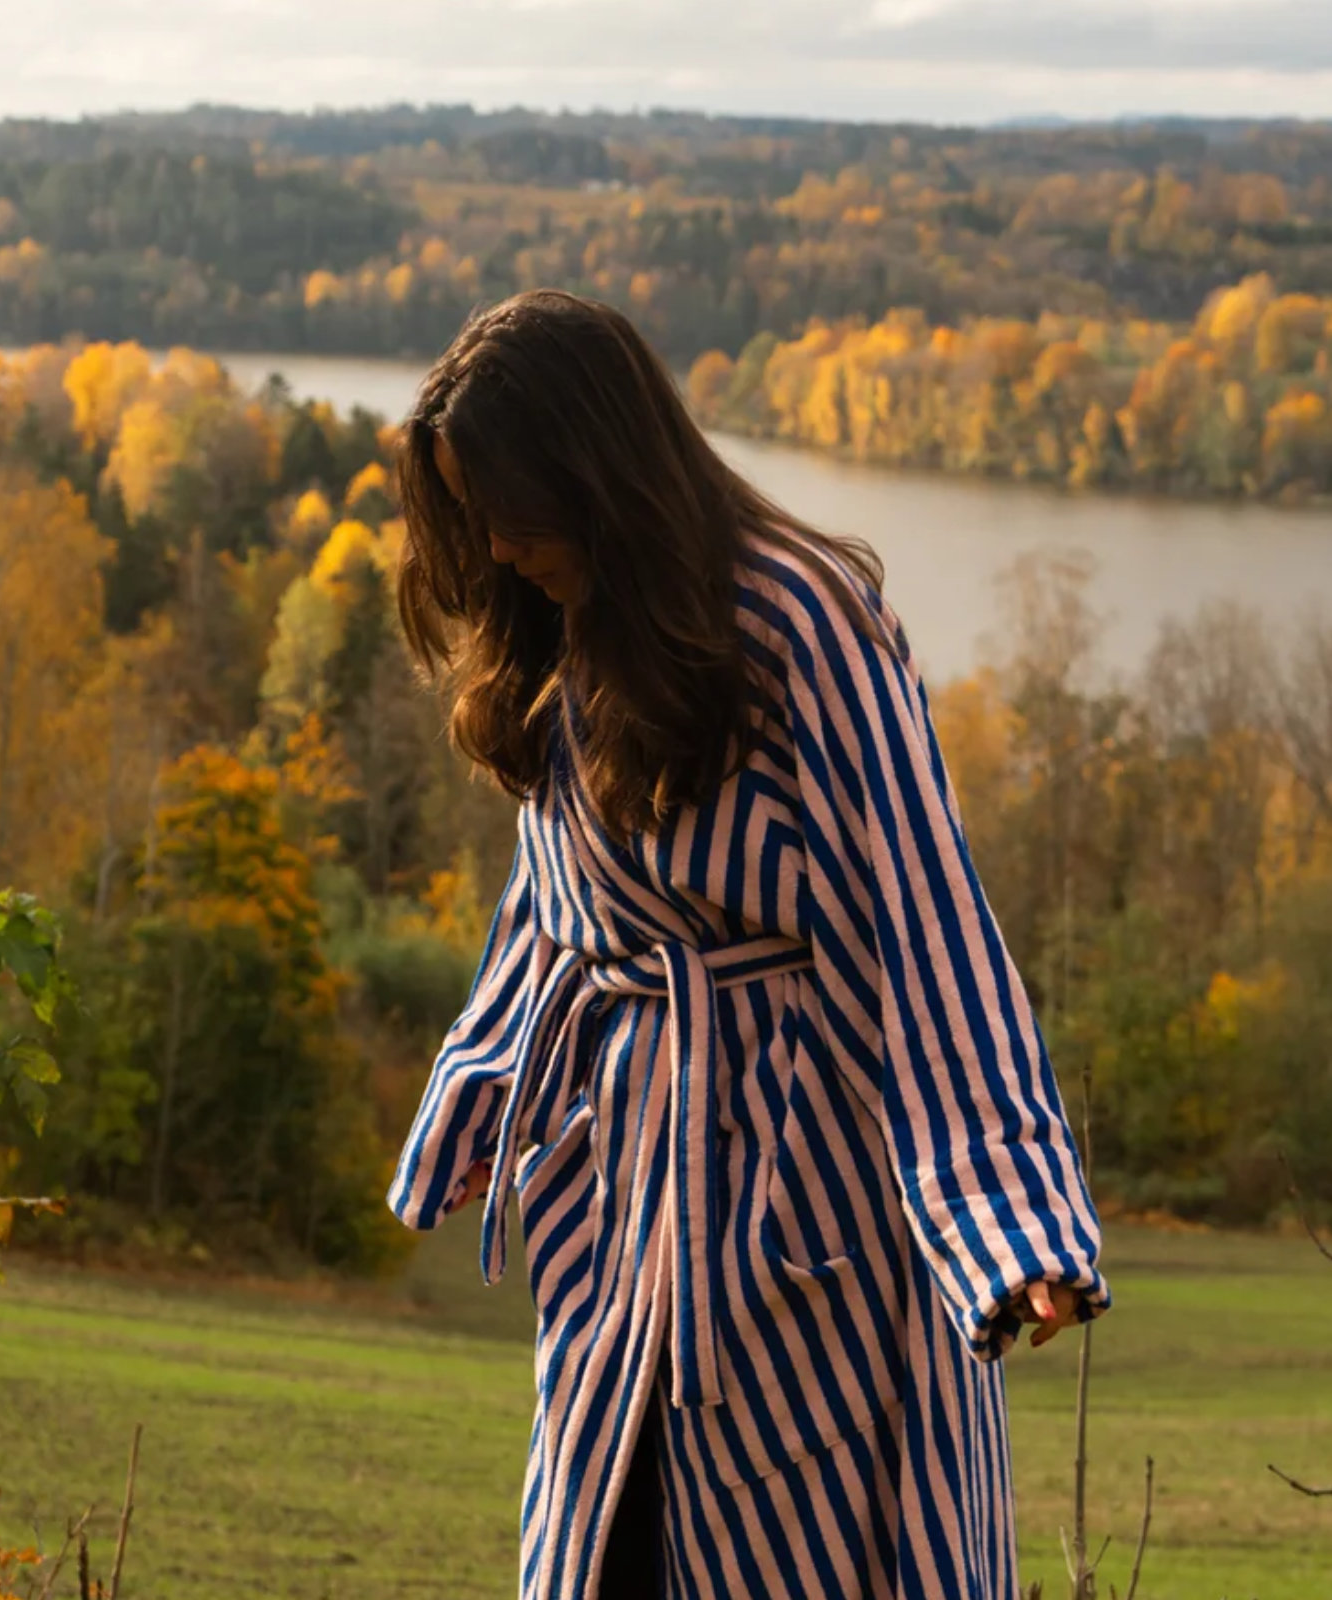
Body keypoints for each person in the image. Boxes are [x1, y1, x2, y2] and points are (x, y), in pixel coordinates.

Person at [386, 289, 1111, 1600]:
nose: (492, 542)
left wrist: (1009, 1220)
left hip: (806, 1208)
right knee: (605, 1549)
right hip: (626, 1216)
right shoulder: (566, 627)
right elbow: (560, 904)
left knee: (808, 1555)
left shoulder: (802, 618)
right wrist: (480, 1081)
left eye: (507, 504)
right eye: (468, 510)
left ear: (591, 470)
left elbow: (925, 911)